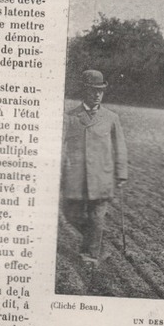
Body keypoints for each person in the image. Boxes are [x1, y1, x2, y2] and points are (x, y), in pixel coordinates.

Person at [61, 69, 128, 264]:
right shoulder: (70, 117)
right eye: (93, 91)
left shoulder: (111, 117)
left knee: (97, 216)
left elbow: (120, 147)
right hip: (77, 176)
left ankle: (91, 253)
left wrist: (121, 174)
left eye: (101, 91)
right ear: (85, 91)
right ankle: (95, 240)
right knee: (70, 213)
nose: (98, 95)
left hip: (102, 177)